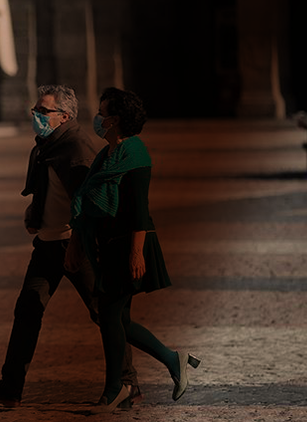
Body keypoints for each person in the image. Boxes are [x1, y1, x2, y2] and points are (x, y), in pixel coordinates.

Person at [0, 85, 142, 408]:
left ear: (64, 116)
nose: (35, 116)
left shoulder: (77, 148)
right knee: (28, 310)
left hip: (77, 247)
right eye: (35, 110)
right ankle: (10, 388)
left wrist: (80, 245)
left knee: (104, 313)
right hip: (47, 245)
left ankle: (128, 382)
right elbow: (46, 190)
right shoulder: (47, 145)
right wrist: (34, 213)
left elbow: (91, 205)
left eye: (42, 111)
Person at [65, 87, 201, 413]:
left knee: (110, 314)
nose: (98, 119)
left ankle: (116, 388)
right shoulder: (107, 155)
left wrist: (136, 253)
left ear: (116, 120)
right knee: (117, 319)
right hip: (110, 246)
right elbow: (88, 206)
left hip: (132, 245)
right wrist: (78, 242)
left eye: (102, 113)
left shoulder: (136, 155)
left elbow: (140, 210)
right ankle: (172, 359)